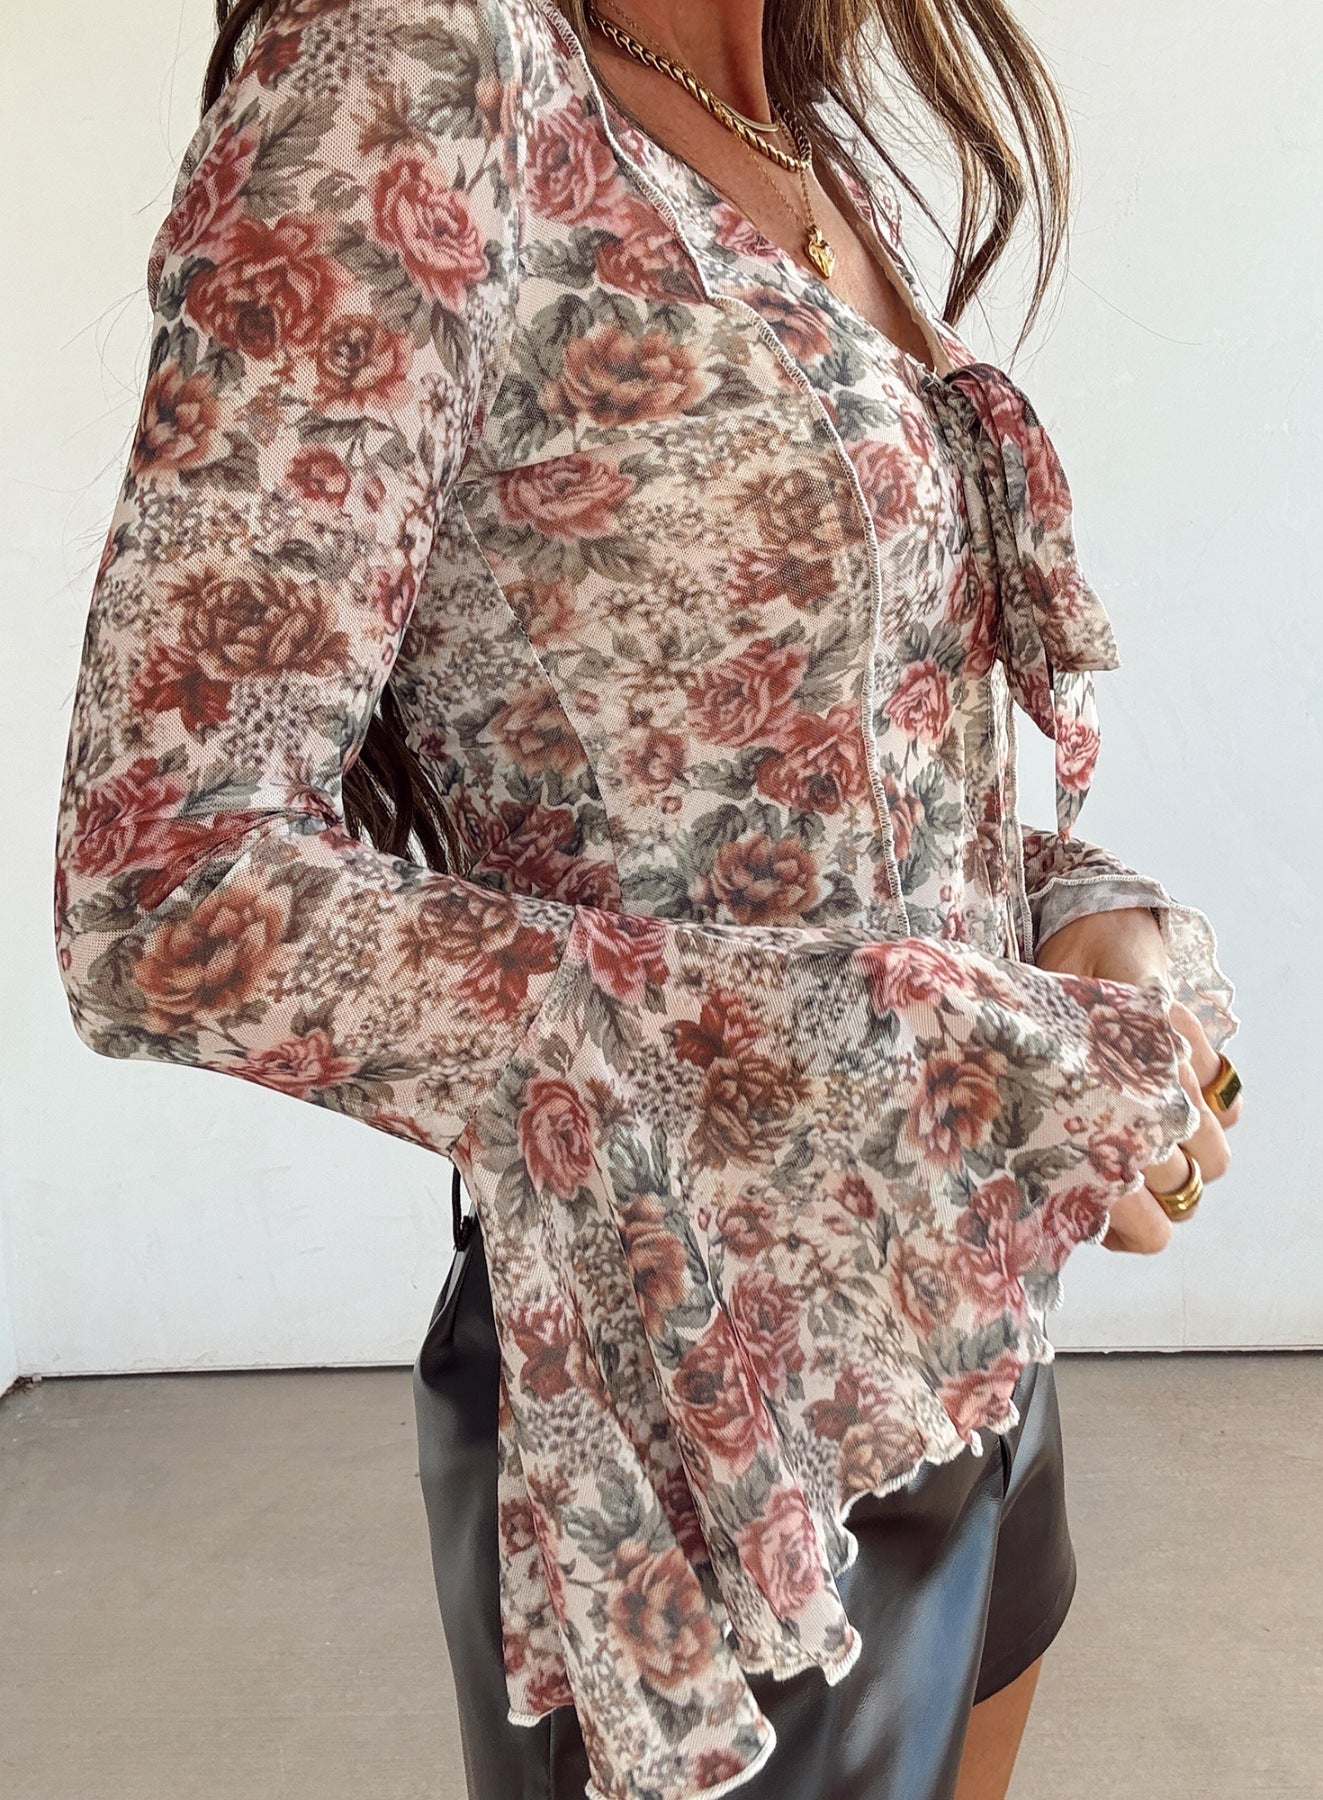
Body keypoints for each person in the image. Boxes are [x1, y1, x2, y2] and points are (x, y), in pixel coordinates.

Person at [53, 1, 1243, 1796]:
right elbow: (157, 887)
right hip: (688, 1420)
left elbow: (781, 780)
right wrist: (896, 1044)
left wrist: (1069, 920)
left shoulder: (772, 117)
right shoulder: (412, 71)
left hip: (958, 1354)